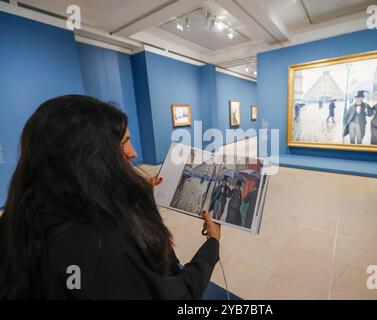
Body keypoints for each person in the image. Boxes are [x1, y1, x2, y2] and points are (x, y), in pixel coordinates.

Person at [0, 95, 221, 299]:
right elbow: (176, 295)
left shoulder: (17, 219)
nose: (133, 153)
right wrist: (212, 244)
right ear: (89, 155)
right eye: (123, 142)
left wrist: (138, 201)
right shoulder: (104, 245)